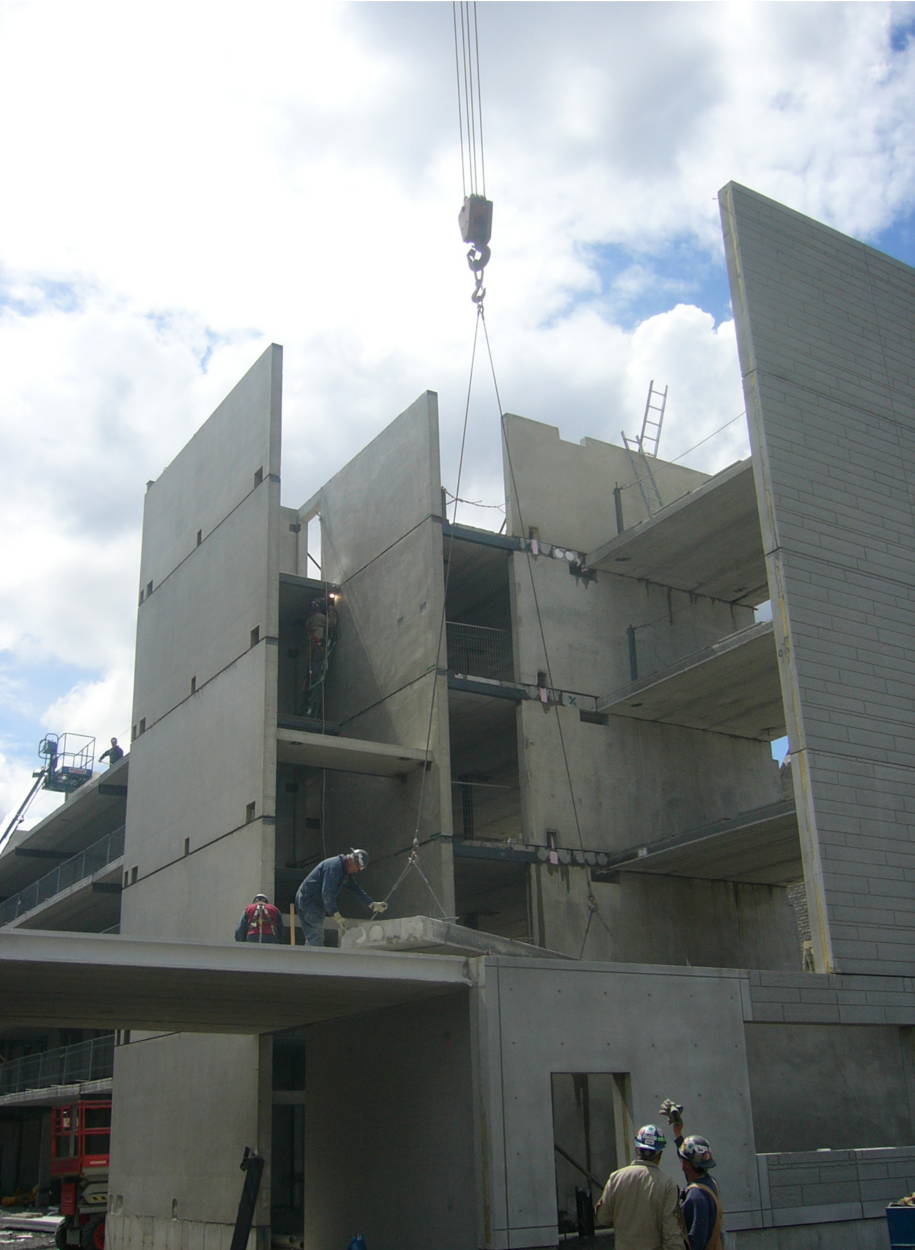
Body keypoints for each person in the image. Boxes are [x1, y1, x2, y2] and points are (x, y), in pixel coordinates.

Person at [594, 1123, 683, 1250]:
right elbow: (672, 1233)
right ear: (660, 1154)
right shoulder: (667, 1184)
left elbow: (602, 1217)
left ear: (637, 1149)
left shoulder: (616, 1178)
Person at [660, 1099, 723, 1250]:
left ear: (685, 1164)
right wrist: (678, 1133)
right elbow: (689, 1163)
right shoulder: (708, 1183)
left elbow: (695, 1241)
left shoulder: (695, 1197)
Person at [294, 849, 387, 947]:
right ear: (352, 861)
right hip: (310, 902)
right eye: (357, 868)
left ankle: (308, 958)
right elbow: (327, 894)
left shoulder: (344, 869)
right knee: (316, 938)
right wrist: (336, 915)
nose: (357, 871)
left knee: (312, 937)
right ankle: (313, 961)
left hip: (308, 899)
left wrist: (371, 903)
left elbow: (356, 889)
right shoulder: (334, 867)